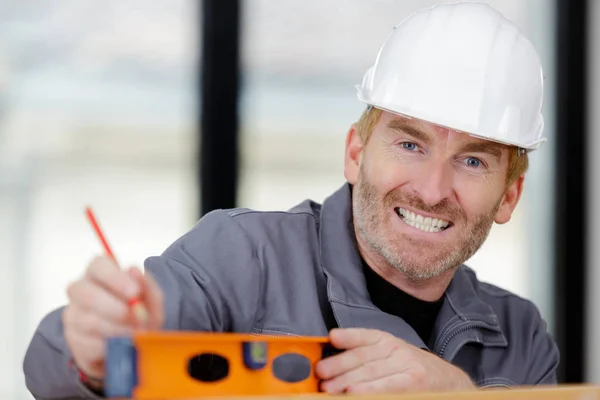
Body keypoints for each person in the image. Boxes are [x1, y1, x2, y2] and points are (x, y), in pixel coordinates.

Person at [23, 2, 559, 399]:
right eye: (410, 143)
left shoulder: (520, 338)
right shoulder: (240, 258)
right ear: (355, 153)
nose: (432, 189)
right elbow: (64, 371)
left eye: (472, 161)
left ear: (509, 195)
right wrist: (92, 348)